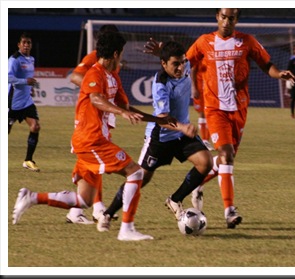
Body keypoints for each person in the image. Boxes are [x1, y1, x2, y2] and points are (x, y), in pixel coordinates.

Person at [12, 31, 176, 241]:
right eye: (122, 53)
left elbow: (127, 107)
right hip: (91, 140)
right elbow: (96, 99)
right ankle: (127, 229)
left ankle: (31, 197)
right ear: (116, 53)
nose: (122, 57)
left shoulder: (113, 76)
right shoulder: (94, 73)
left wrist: (158, 120)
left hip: (94, 141)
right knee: (135, 173)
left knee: (83, 200)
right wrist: (121, 112)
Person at [185, 8, 295, 228]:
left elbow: (266, 65)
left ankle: (196, 186)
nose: (227, 22)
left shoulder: (247, 41)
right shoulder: (204, 42)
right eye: (223, 17)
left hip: (240, 109)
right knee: (226, 155)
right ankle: (229, 211)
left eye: (231, 18)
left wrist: (279, 74)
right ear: (217, 17)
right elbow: (185, 62)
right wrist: (189, 84)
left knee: (227, 158)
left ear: (237, 20)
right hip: (215, 109)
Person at [102, 41, 213, 223]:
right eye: (175, 64)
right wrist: (184, 127)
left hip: (181, 135)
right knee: (139, 178)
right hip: (160, 137)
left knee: (205, 162)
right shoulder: (160, 83)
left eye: (182, 62)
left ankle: (175, 199)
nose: (181, 67)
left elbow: (179, 60)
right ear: (164, 64)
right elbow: (162, 118)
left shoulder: (184, 67)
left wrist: (162, 52)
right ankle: (108, 212)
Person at [65, 24, 122, 225]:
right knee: (95, 159)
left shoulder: (111, 64)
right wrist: (95, 90)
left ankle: (78, 210)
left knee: (91, 162)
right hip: (90, 113)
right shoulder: (94, 57)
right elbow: (74, 76)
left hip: (103, 113)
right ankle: (97, 208)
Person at [8, 32, 41, 172]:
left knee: (35, 126)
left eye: (29, 43)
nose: (27, 45)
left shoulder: (31, 59)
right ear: (19, 45)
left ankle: (28, 160)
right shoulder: (14, 59)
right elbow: (8, 77)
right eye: (24, 42)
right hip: (12, 102)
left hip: (26, 101)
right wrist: (24, 81)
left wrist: (29, 88)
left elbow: (28, 77)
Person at [192, 62, 214, 151]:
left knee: (209, 114)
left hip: (211, 89)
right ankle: (205, 141)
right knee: (202, 113)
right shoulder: (198, 57)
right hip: (200, 89)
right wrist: (194, 88)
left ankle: (206, 141)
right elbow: (193, 70)